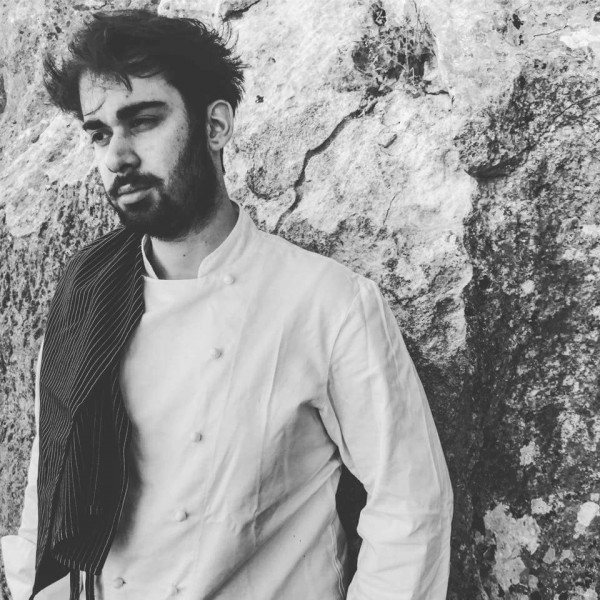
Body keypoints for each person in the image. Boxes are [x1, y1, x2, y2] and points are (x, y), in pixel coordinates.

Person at [1, 9, 453, 600]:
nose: (118, 157)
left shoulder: (327, 303)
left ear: (215, 125)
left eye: (143, 121)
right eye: (100, 134)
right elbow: (47, 495)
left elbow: (412, 508)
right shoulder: (84, 297)